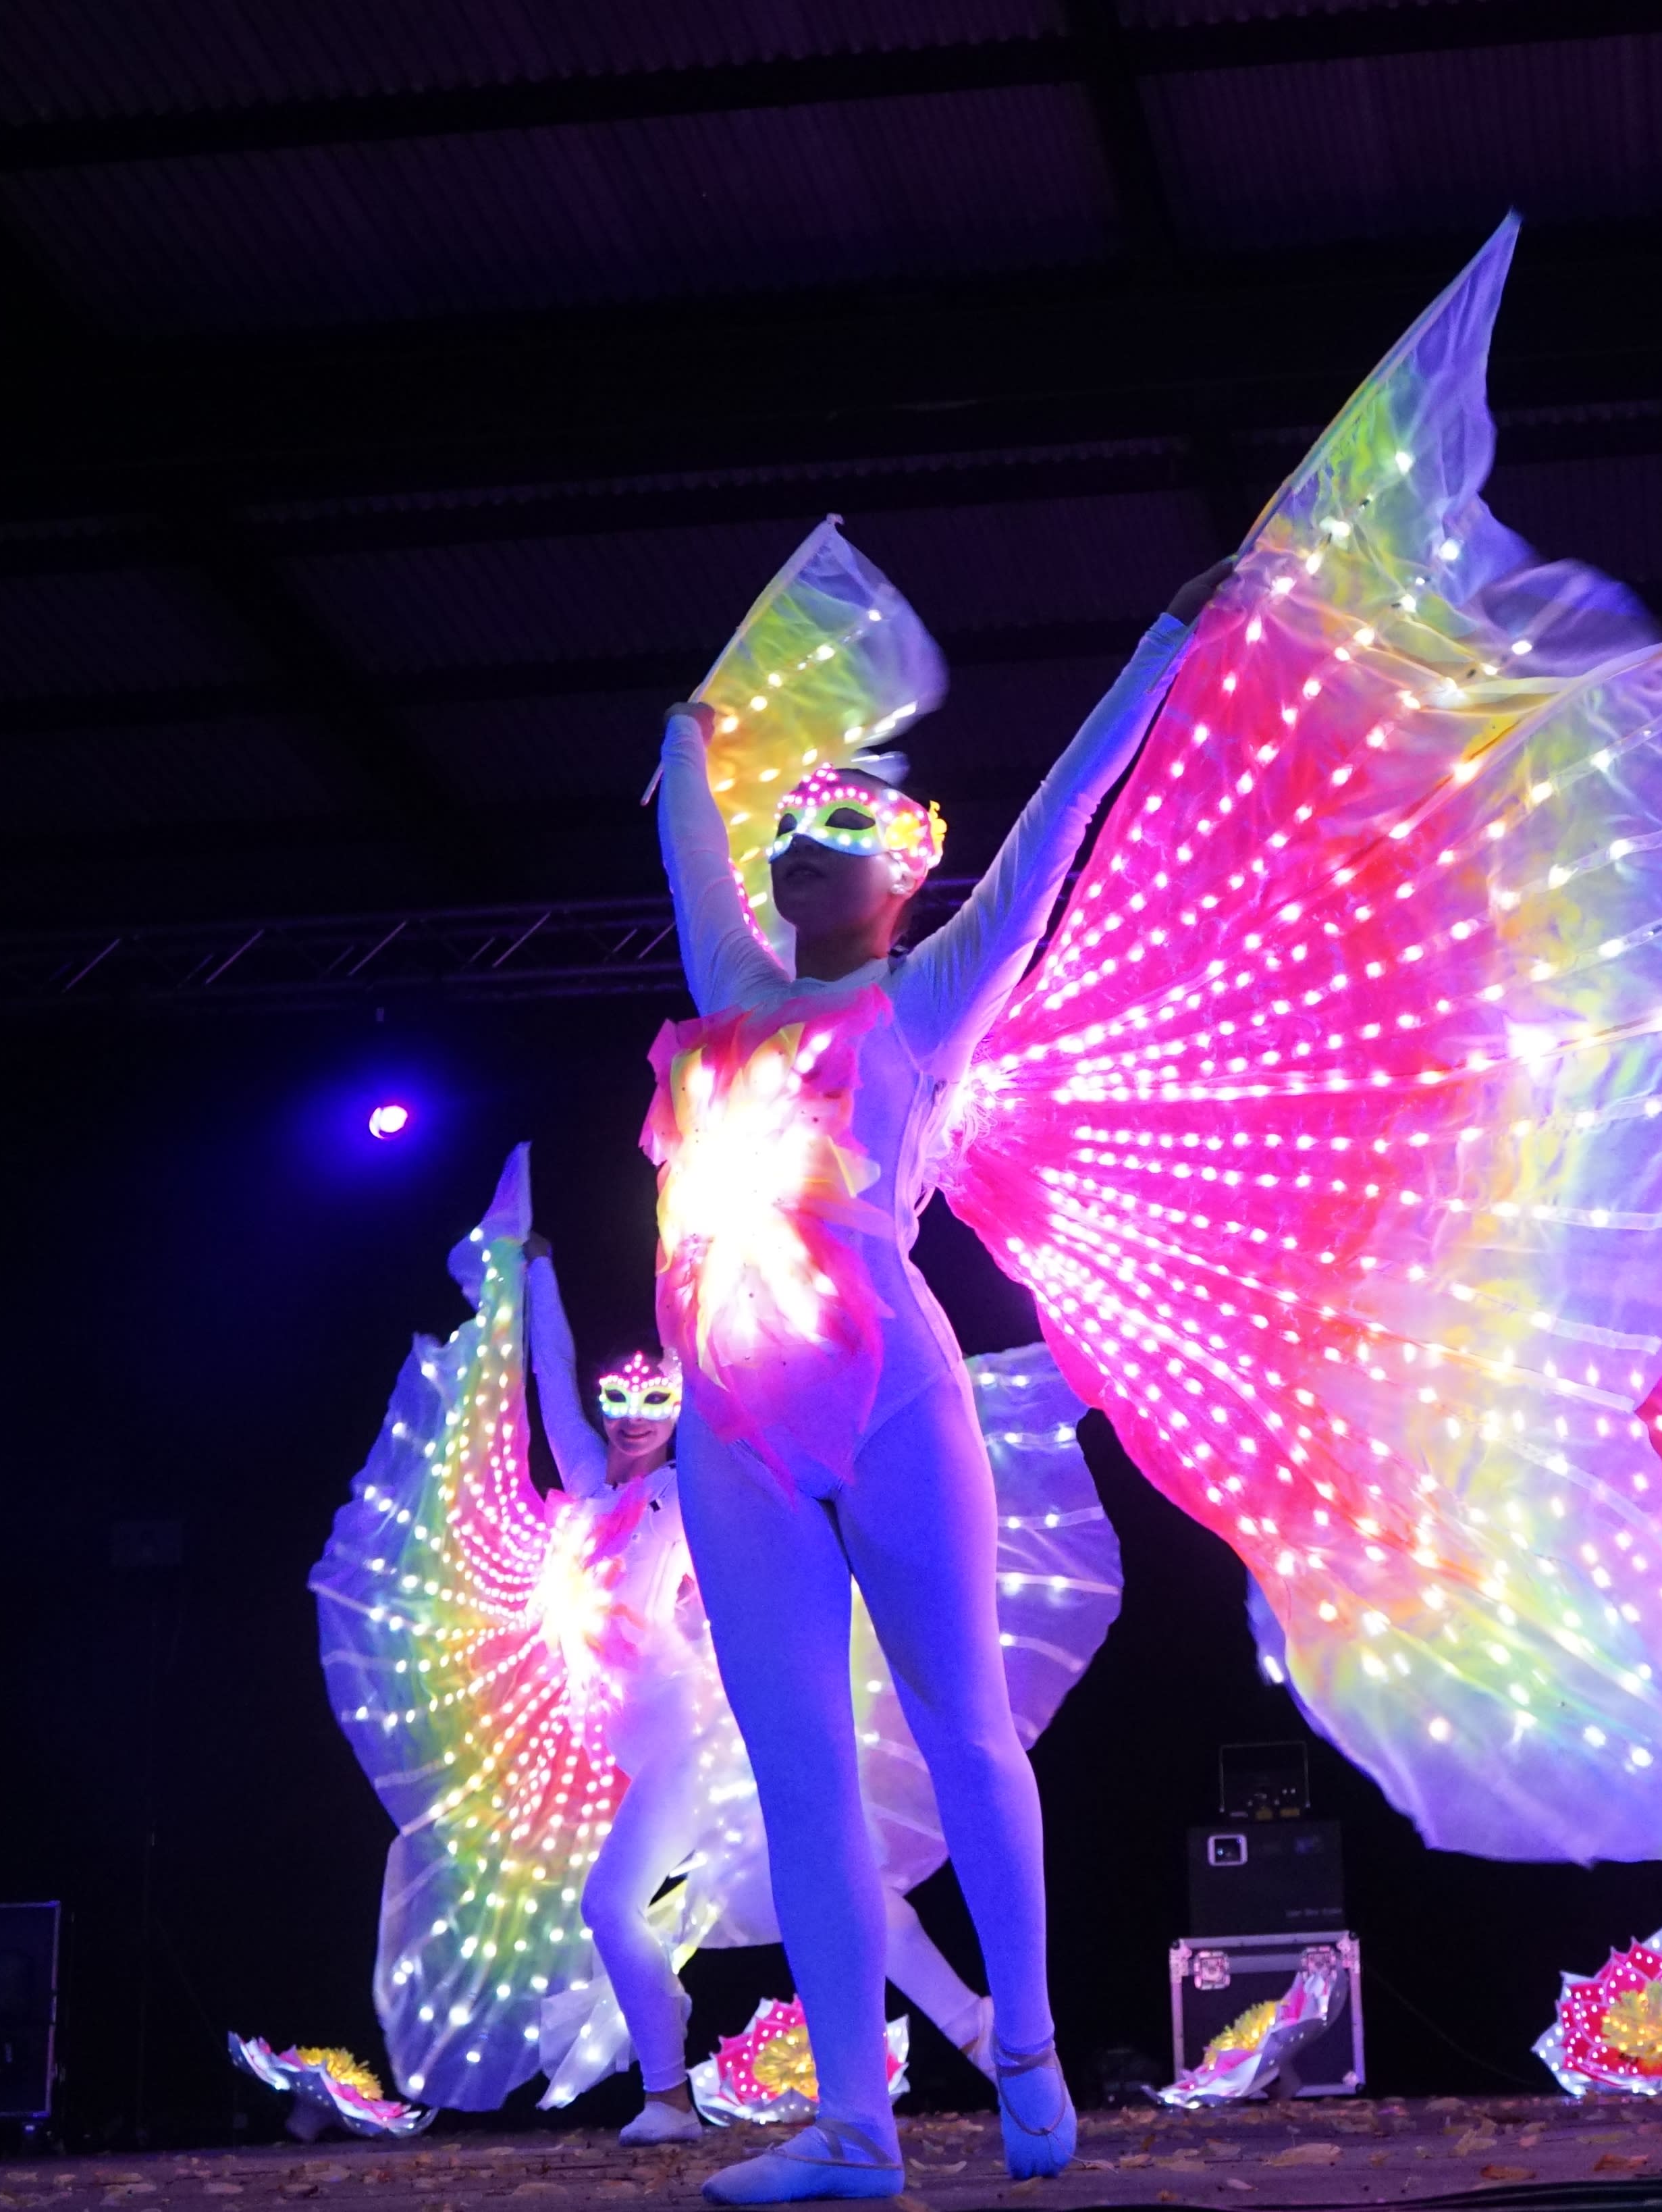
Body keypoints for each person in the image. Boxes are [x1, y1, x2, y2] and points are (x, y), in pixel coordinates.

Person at [643, 554, 1235, 2202]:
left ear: (901, 870)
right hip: (730, 1424)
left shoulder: (923, 998)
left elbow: (1057, 825)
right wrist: (685, 739)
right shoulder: (730, 996)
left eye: (831, 828)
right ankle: (854, 2127)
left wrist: (1160, 638)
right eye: (783, 829)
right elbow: (685, 838)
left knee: (965, 1731)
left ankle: (1028, 2049)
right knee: (797, 1773)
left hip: (890, 1394)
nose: (790, 845)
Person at [519, 1238, 1008, 2147]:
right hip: (649, 1746)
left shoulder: (684, 1495)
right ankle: (979, 2032)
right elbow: (549, 1374)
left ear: (681, 1403)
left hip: (691, 1745)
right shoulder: (585, 1484)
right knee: (821, 1887)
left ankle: (667, 2098)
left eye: (657, 1398)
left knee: (612, 1905)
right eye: (618, 1398)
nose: (635, 1416)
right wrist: (536, 1268)